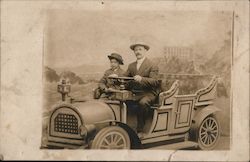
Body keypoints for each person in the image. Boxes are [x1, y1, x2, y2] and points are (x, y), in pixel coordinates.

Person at [124, 42, 161, 136]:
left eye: (140, 49)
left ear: (145, 51)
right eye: (136, 50)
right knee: (122, 102)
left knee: (143, 103)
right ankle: (127, 128)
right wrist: (116, 76)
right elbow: (124, 78)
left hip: (149, 93)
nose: (137, 52)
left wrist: (141, 79)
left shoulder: (152, 65)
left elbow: (155, 82)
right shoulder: (131, 66)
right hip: (136, 93)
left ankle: (141, 130)